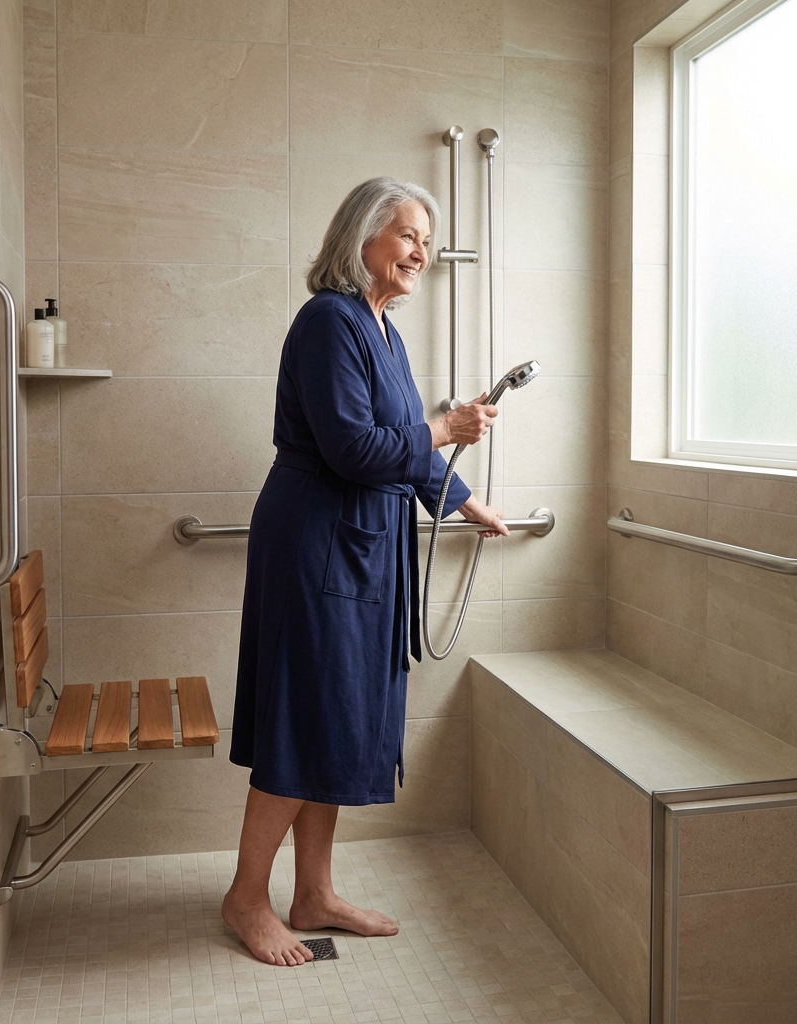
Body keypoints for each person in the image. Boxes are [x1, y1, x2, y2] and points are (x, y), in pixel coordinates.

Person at [222, 178, 507, 966]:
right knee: (307, 715)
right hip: (317, 546)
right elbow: (354, 448)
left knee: (341, 718)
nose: (422, 252)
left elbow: (403, 449)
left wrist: (463, 500)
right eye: (409, 235)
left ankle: (312, 892)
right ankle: (246, 898)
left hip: (365, 548)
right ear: (363, 237)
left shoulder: (383, 332)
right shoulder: (329, 322)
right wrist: (445, 425)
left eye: (426, 240)